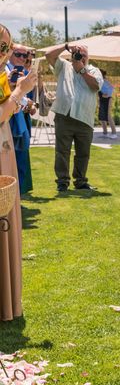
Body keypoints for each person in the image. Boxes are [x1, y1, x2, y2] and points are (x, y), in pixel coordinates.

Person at [0, 24, 38, 321]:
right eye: (2, 47)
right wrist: (20, 91)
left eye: (6, 48)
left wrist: (19, 97)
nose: (4, 53)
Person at [45, 44, 103, 192]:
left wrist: (82, 70)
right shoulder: (64, 66)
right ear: (71, 54)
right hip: (64, 115)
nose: (80, 57)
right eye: (78, 54)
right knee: (62, 152)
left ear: (88, 57)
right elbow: (48, 55)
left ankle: (81, 181)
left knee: (83, 153)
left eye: (83, 55)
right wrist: (66, 46)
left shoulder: (93, 70)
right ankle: (62, 182)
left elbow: (96, 86)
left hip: (85, 117)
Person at [6, 46, 35, 195]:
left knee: (21, 157)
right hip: (9, 119)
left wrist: (29, 103)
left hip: (19, 117)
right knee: (11, 160)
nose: (22, 58)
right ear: (10, 53)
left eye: (26, 56)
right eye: (18, 54)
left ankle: (17, 196)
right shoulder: (5, 69)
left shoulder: (23, 71)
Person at [98, 69, 117, 139]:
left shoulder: (105, 81)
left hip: (108, 99)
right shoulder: (99, 81)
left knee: (108, 116)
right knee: (102, 117)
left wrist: (108, 95)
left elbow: (112, 88)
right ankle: (105, 133)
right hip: (102, 100)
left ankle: (114, 133)